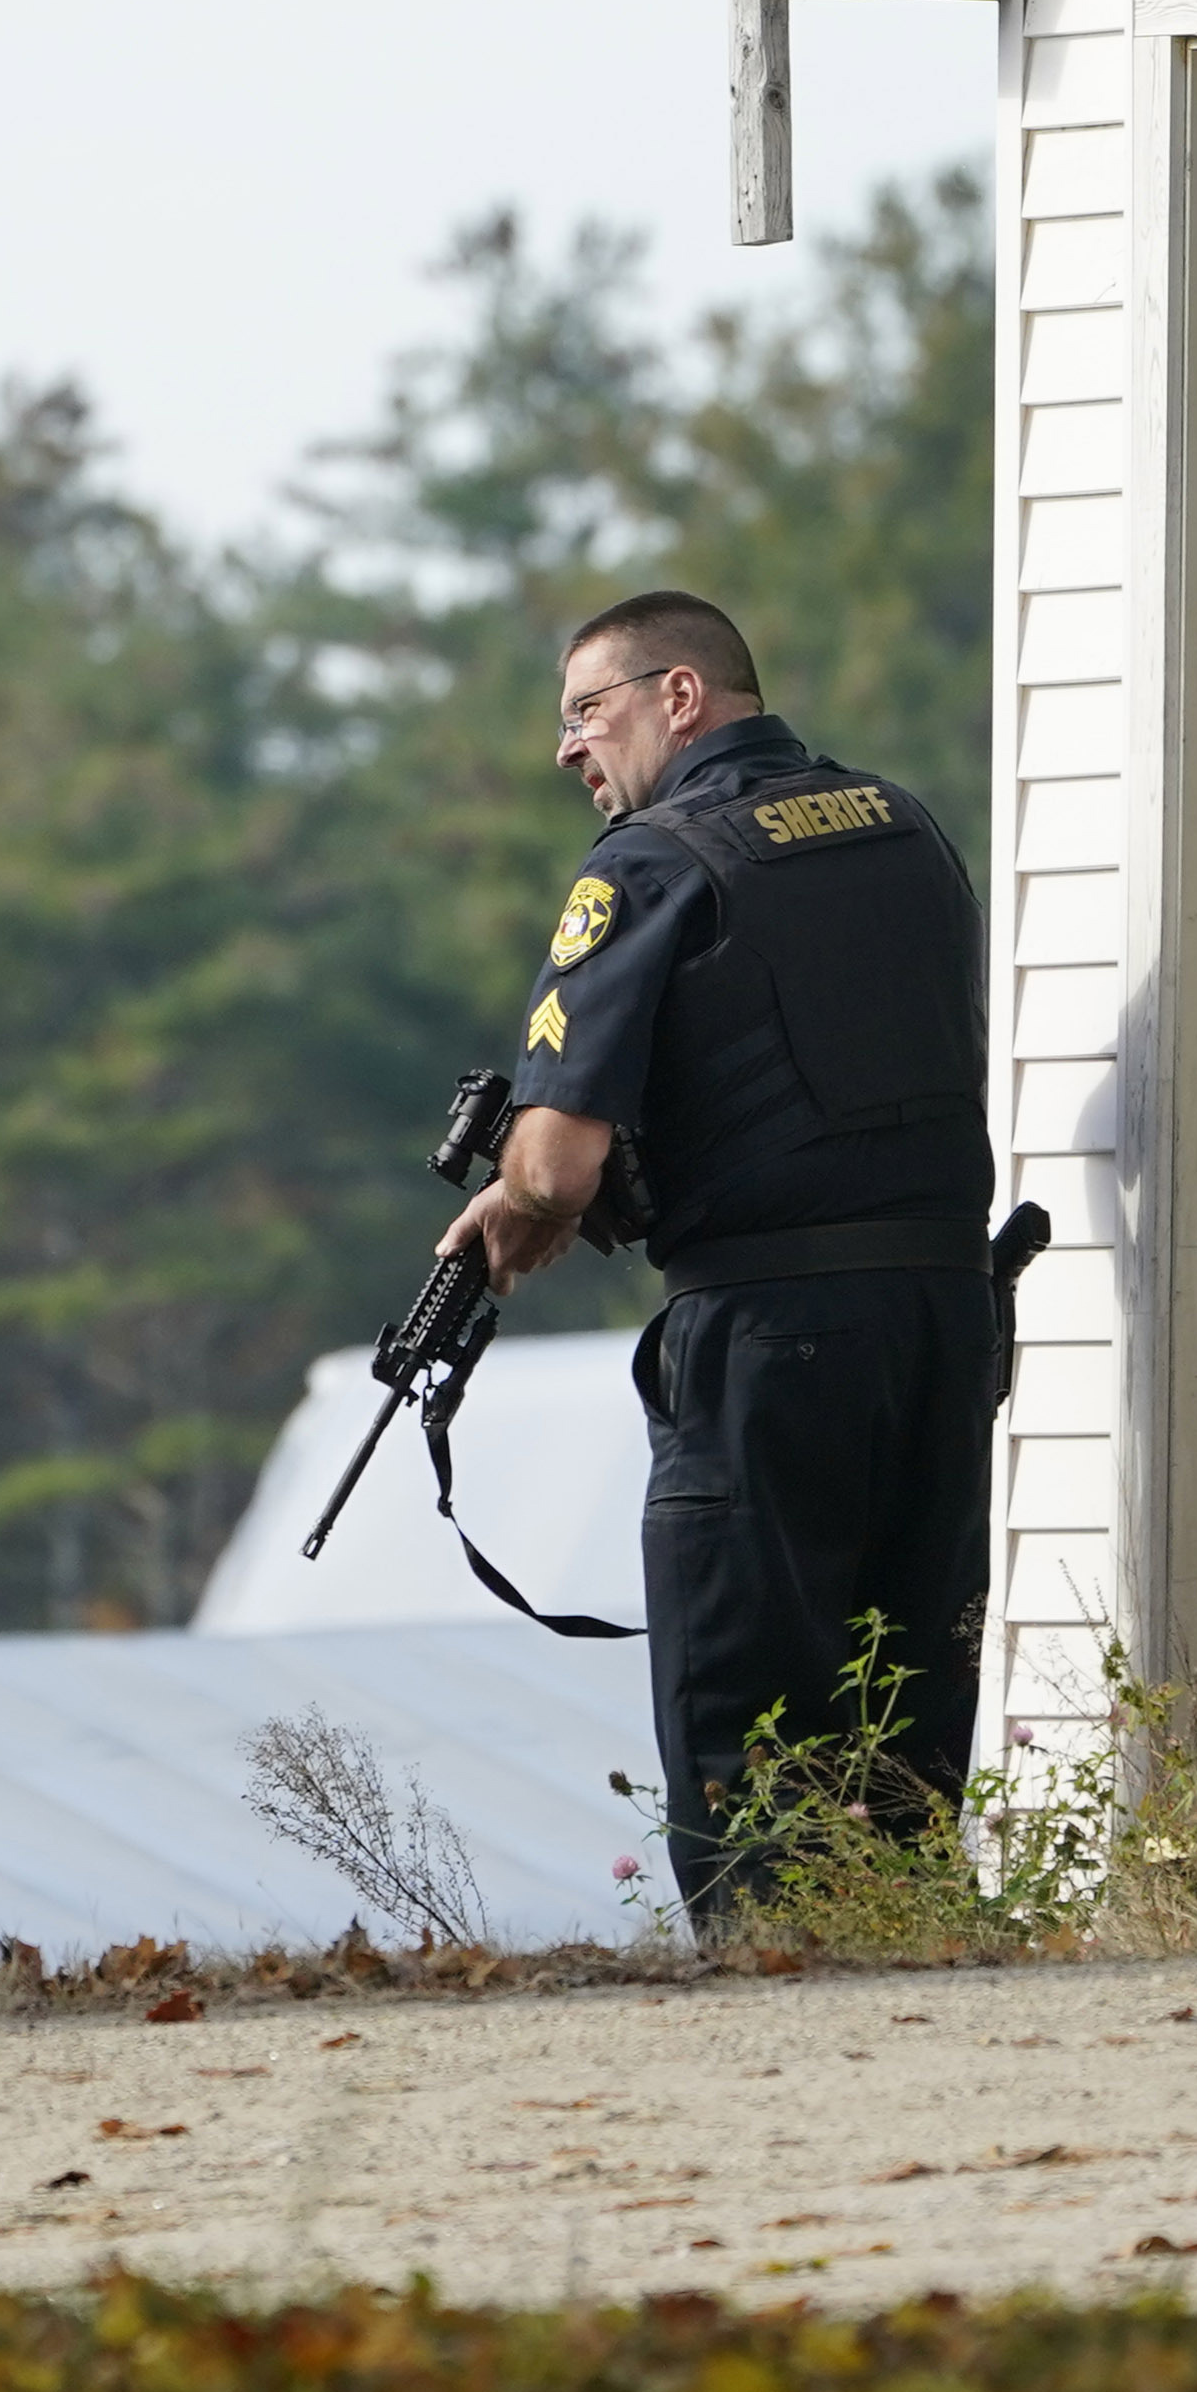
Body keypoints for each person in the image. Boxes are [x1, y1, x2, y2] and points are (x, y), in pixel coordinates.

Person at [442, 588, 994, 1928]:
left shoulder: (648, 865)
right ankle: (921, 1971)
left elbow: (560, 1164)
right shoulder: (903, 823)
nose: (569, 751)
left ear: (678, 697)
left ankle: (775, 2000)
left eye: (587, 711)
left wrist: (517, 1206)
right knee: (906, 1702)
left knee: (744, 1719)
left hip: (767, 1337)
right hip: (945, 1321)